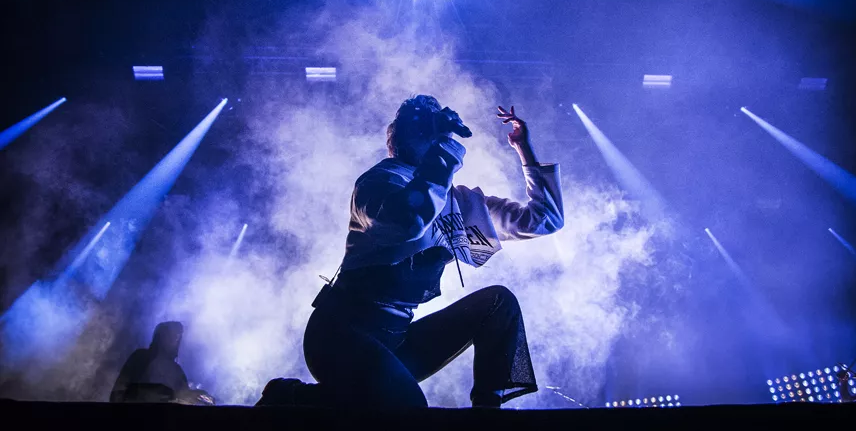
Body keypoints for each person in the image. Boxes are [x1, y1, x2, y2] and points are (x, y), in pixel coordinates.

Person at [258, 96, 563, 409]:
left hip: (395, 342)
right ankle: (292, 396)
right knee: (408, 409)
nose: (431, 136)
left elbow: (544, 220)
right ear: (401, 138)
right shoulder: (378, 182)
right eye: (423, 129)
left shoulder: (458, 202)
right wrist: (443, 144)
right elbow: (408, 222)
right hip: (339, 336)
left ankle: (486, 413)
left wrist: (524, 149)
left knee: (499, 303)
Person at [109, 321, 214, 405]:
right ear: (160, 337)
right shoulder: (140, 357)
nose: (178, 342)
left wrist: (193, 396)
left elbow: (183, 397)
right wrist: (165, 393)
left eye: (179, 338)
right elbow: (117, 394)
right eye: (174, 336)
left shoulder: (177, 371)